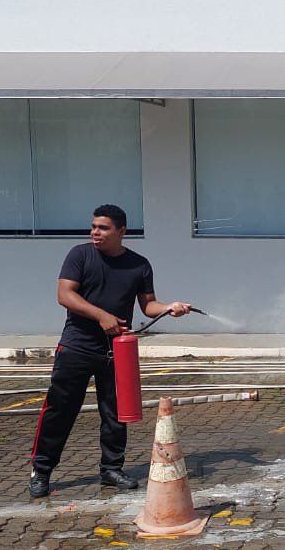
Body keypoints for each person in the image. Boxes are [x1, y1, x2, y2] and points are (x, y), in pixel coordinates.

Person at [28, 204, 190, 499]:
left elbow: (148, 306)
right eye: (93, 227)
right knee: (60, 410)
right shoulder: (80, 255)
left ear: (121, 232)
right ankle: (41, 470)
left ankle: (111, 469)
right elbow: (65, 294)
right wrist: (101, 315)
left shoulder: (139, 265)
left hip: (116, 349)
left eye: (103, 228)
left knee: (115, 412)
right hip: (77, 345)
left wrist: (169, 308)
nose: (95, 233)